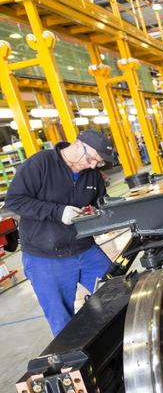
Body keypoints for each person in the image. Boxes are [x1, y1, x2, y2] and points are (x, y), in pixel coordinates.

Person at [5, 129, 114, 336]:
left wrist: (105, 216)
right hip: (45, 257)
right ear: (77, 145)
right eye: (91, 158)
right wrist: (57, 211)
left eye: (97, 163)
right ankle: (76, 366)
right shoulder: (40, 164)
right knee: (62, 322)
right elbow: (14, 200)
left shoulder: (91, 174)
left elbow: (100, 201)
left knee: (118, 292)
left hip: (85, 248)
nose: (92, 166)